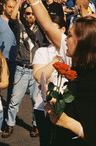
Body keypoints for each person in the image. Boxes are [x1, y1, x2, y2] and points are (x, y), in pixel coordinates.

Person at [22, 0, 96, 145]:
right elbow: (48, 27)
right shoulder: (78, 65)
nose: (65, 39)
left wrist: (67, 122)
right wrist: (34, 0)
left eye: (69, 35)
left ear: (83, 41)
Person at [2, 0, 44, 138]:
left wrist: (37, 0)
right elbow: (12, 18)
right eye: (27, 14)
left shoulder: (41, 30)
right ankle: (9, 124)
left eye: (32, 14)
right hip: (21, 69)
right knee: (14, 100)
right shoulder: (19, 27)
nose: (30, 16)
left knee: (36, 101)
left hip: (36, 70)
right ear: (24, 15)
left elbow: (44, 16)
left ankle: (36, 125)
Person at [33, 15, 67, 146]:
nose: (49, 34)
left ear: (63, 29)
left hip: (66, 107)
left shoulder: (71, 50)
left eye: (52, 29)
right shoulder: (42, 51)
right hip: (44, 107)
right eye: (46, 31)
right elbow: (39, 76)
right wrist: (56, 60)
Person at [0, 0, 17, 105]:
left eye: (14, 7)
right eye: (10, 7)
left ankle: (9, 105)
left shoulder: (17, 22)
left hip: (14, 59)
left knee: (12, 84)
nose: (12, 9)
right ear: (4, 7)